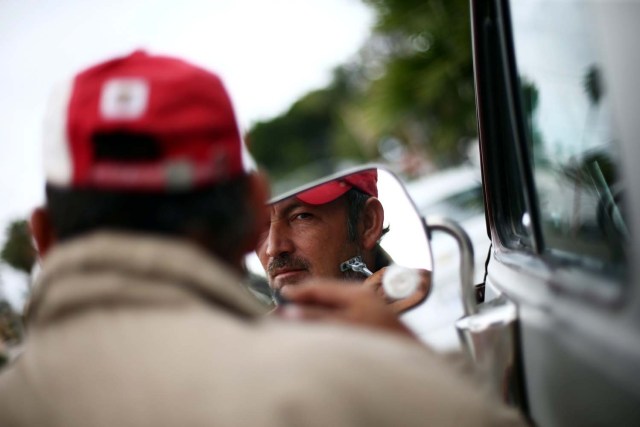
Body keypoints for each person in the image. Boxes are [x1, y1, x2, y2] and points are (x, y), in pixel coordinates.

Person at [0, 50, 525, 426]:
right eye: (270, 223)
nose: (275, 248)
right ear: (251, 210)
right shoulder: (355, 384)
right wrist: (404, 368)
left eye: (302, 217)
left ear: (42, 238)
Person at [256, 171, 431, 313]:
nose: (273, 248)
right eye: (257, 226)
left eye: (302, 216)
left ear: (368, 223)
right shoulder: (254, 345)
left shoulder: (426, 306)